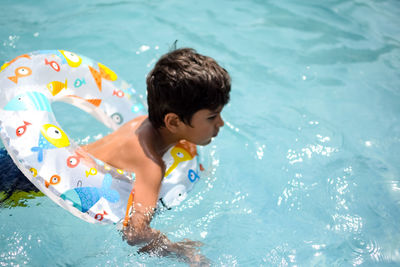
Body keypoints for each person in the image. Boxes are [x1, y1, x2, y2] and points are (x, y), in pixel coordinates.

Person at [82, 48, 231, 264]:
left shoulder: (143, 123)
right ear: (173, 122)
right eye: (212, 117)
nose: (221, 123)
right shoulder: (151, 166)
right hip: (28, 185)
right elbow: (135, 233)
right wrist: (181, 250)